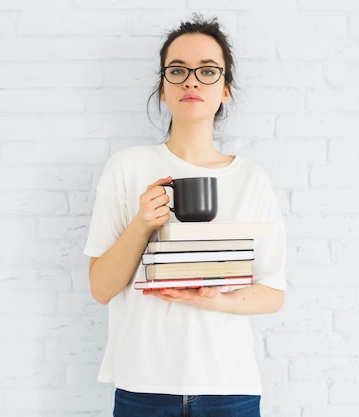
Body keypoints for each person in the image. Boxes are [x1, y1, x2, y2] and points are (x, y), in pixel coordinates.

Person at [83, 14, 286, 417]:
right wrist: (142, 224)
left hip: (229, 385)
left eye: (207, 71)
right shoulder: (126, 167)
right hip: (143, 384)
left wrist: (213, 301)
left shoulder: (251, 178)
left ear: (225, 89)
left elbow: (272, 293)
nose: (191, 81)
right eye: (177, 71)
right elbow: (102, 289)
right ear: (162, 88)